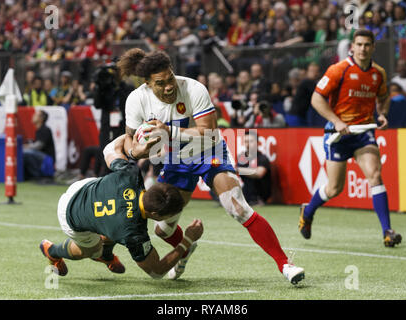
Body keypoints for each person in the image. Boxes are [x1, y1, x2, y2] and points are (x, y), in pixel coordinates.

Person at [117, 48, 305, 285]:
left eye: (170, 78)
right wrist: (136, 152)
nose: (168, 86)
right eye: (160, 83)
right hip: (176, 159)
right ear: (147, 83)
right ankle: (185, 248)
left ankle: (285, 264)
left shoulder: (193, 89)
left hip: (208, 150)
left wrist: (169, 131)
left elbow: (210, 132)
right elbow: (128, 138)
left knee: (238, 207)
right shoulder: (136, 99)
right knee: (162, 229)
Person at [40, 134, 204, 279]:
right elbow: (157, 271)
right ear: (155, 214)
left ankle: (105, 254)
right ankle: (53, 252)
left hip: (81, 188)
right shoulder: (134, 233)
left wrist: (135, 144)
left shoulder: (131, 175)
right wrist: (187, 240)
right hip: (69, 214)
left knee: (112, 225)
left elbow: (110, 149)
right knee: (92, 249)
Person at [298, 29, 402, 247]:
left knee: (375, 175)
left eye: (367, 45)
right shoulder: (339, 69)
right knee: (335, 189)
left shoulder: (379, 73)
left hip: (363, 133)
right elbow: (317, 99)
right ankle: (307, 211)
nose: (363, 49)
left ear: (373, 47)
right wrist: (336, 121)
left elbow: (383, 97)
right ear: (352, 47)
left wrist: (381, 113)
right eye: (359, 44)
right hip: (337, 135)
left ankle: (387, 232)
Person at [237, 131, 272, 206]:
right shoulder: (242, 158)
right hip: (246, 192)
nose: (248, 144)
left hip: (260, 194)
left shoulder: (263, 158)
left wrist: (238, 170)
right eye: (246, 141)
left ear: (257, 143)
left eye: (251, 141)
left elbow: (259, 173)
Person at [23, 109, 55, 181]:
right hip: (41, 155)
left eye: (35, 115)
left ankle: (36, 175)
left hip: (47, 158)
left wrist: (26, 147)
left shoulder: (45, 129)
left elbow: (38, 146)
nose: (33, 116)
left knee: (26, 152)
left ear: (41, 118)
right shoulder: (39, 130)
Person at [286, 62, 321, 127]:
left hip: (300, 116)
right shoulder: (307, 82)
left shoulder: (310, 82)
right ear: (307, 72)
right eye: (312, 71)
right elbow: (320, 93)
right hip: (295, 116)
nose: (315, 73)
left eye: (316, 71)